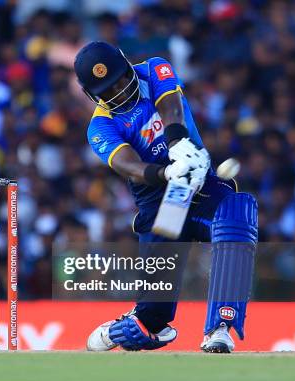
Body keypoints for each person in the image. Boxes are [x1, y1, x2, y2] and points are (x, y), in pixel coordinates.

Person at [75, 42, 258, 353]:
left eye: (121, 80)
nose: (119, 91)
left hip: (200, 185)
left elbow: (171, 107)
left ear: (127, 66)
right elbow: (127, 164)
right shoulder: (100, 126)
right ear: (93, 95)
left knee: (237, 216)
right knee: (147, 328)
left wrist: (178, 147)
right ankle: (122, 327)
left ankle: (220, 327)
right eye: (108, 90)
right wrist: (165, 174)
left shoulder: (154, 69)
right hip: (162, 203)